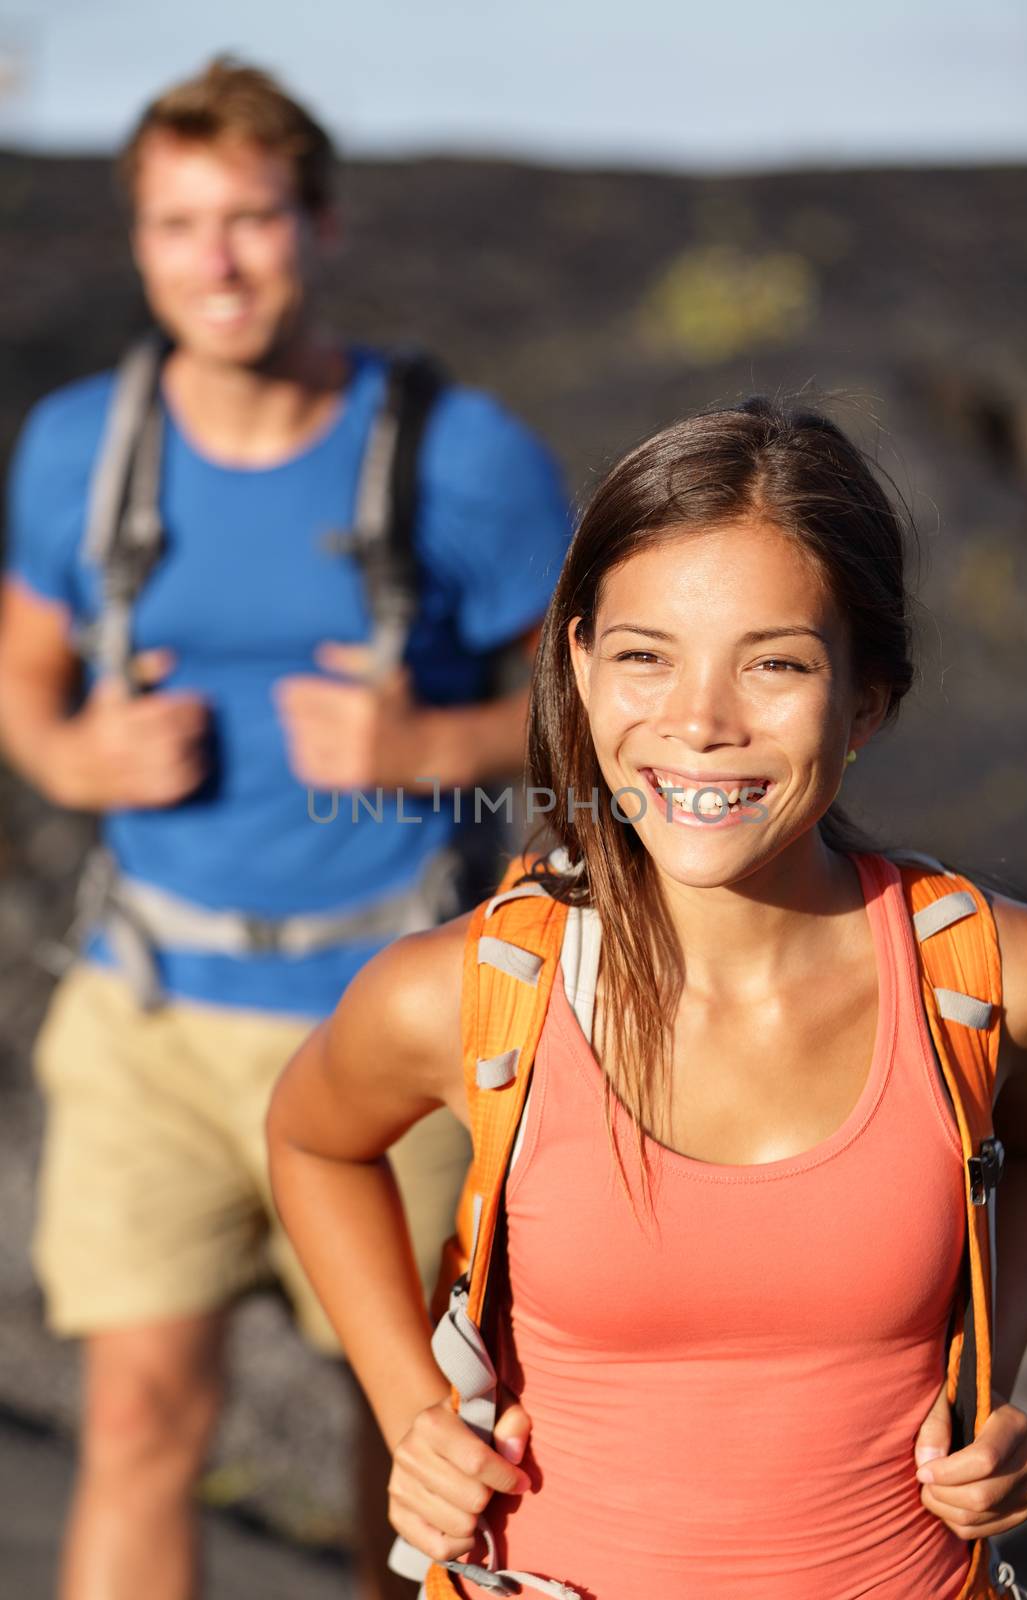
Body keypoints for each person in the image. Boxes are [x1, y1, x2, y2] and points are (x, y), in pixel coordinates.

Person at [267, 399, 1027, 1600]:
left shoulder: (994, 975)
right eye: (644, 654)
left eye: (775, 662)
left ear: (867, 698)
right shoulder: (473, 993)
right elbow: (310, 1140)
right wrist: (413, 1413)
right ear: (578, 666)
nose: (697, 721)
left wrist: (980, 1381)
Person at [0, 56, 572, 1600]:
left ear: (317, 227)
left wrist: (427, 741)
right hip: (148, 1017)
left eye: (250, 219)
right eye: (179, 225)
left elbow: (605, 708)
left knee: (420, 1454)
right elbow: (25, 679)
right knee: (133, 1422)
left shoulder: (463, 458)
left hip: (398, 1031)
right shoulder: (76, 450)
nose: (218, 261)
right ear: (138, 240)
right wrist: (71, 754)